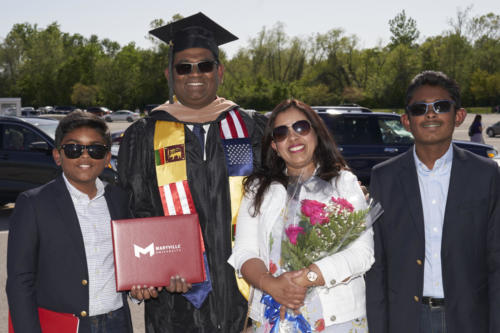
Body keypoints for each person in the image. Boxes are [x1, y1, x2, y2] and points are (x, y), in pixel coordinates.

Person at [117, 12, 267, 332]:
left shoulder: (252, 128)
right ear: (170, 74)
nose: (194, 74)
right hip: (175, 304)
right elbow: (134, 210)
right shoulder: (144, 136)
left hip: (246, 298)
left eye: (205, 65)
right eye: (184, 67)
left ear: (220, 71)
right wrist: (141, 274)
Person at [365, 71, 500, 333]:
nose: (430, 114)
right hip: (407, 319)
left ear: (459, 115)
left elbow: (496, 259)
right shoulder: (385, 177)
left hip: (469, 318)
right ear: (406, 120)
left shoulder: (486, 174)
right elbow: (377, 265)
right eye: (419, 109)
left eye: (441, 106)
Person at [228, 99, 374, 332]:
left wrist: (307, 277)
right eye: (281, 133)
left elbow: (362, 253)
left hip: (336, 320)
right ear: (274, 145)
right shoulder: (258, 189)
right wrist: (272, 285)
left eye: (301, 127)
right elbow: (244, 252)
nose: (293, 137)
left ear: (316, 133)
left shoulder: (343, 183)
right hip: (273, 315)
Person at [6, 111, 133, 333]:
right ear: (58, 155)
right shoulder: (33, 203)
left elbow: (132, 261)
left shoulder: (119, 199)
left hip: (117, 322)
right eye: (74, 149)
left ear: (106, 158)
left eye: (95, 149)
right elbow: (20, 282)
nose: (85, 156)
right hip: (65, 326)